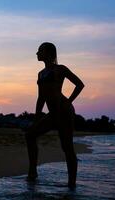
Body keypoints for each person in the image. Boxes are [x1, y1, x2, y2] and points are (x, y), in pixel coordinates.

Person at [25, 42, 85, 189]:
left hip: (64, 112)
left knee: (67, 147)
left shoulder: (61, 69)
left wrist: (69, 102)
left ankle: (72, 184)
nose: (37, 53)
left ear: (48, 53)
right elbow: (41, 98)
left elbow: (80, 84)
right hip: (52, 114)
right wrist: (36, 118)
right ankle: (33, 172)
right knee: (30, 134)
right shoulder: (40, 74)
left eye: (40, 50)